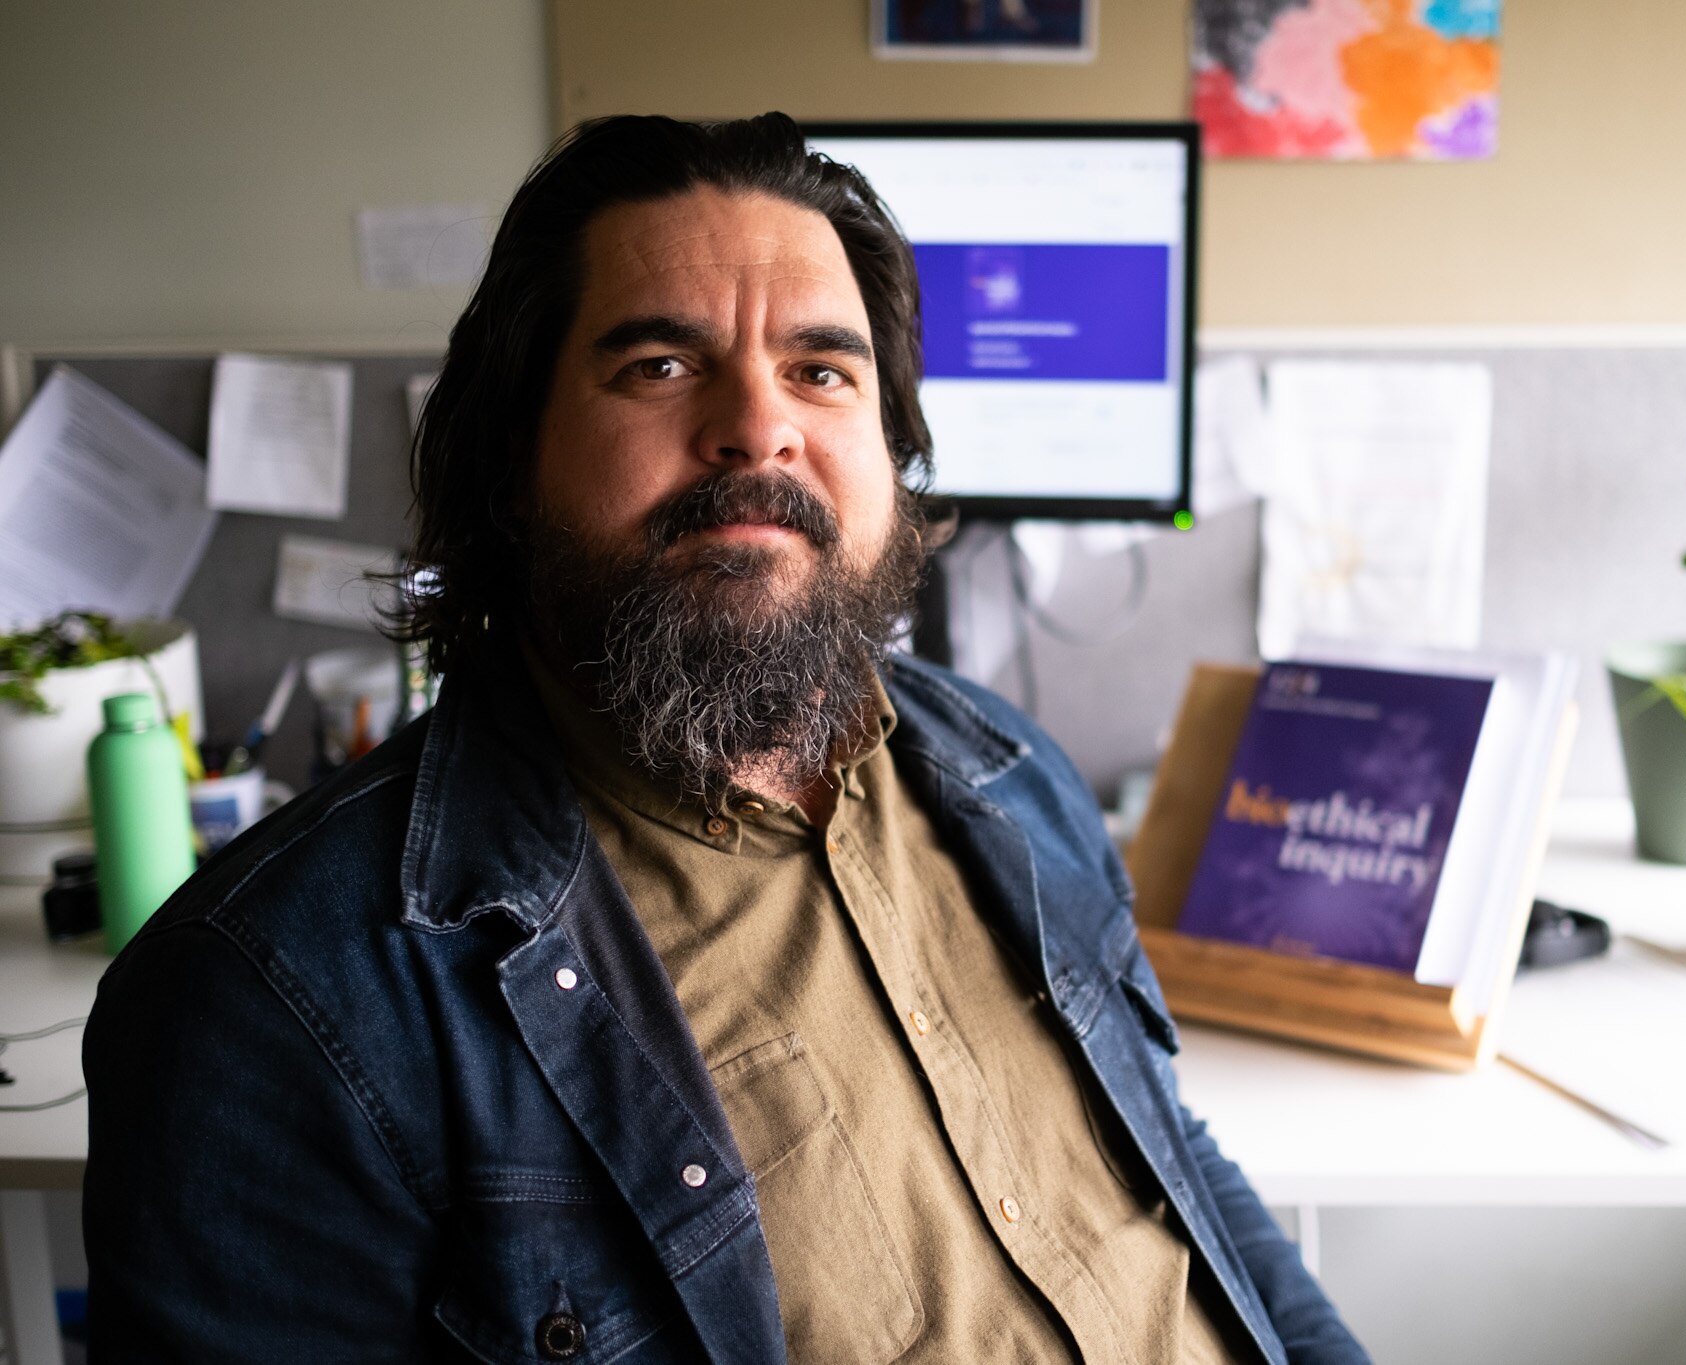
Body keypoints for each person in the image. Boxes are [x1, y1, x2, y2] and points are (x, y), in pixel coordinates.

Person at [83, 113, 1369, 1363]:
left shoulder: (1003, 767)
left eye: (821, 369)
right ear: (510, 456)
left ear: (889, 445)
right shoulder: (270, 1000)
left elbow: (1168, 1162)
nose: (760, 426)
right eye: (657, 366)